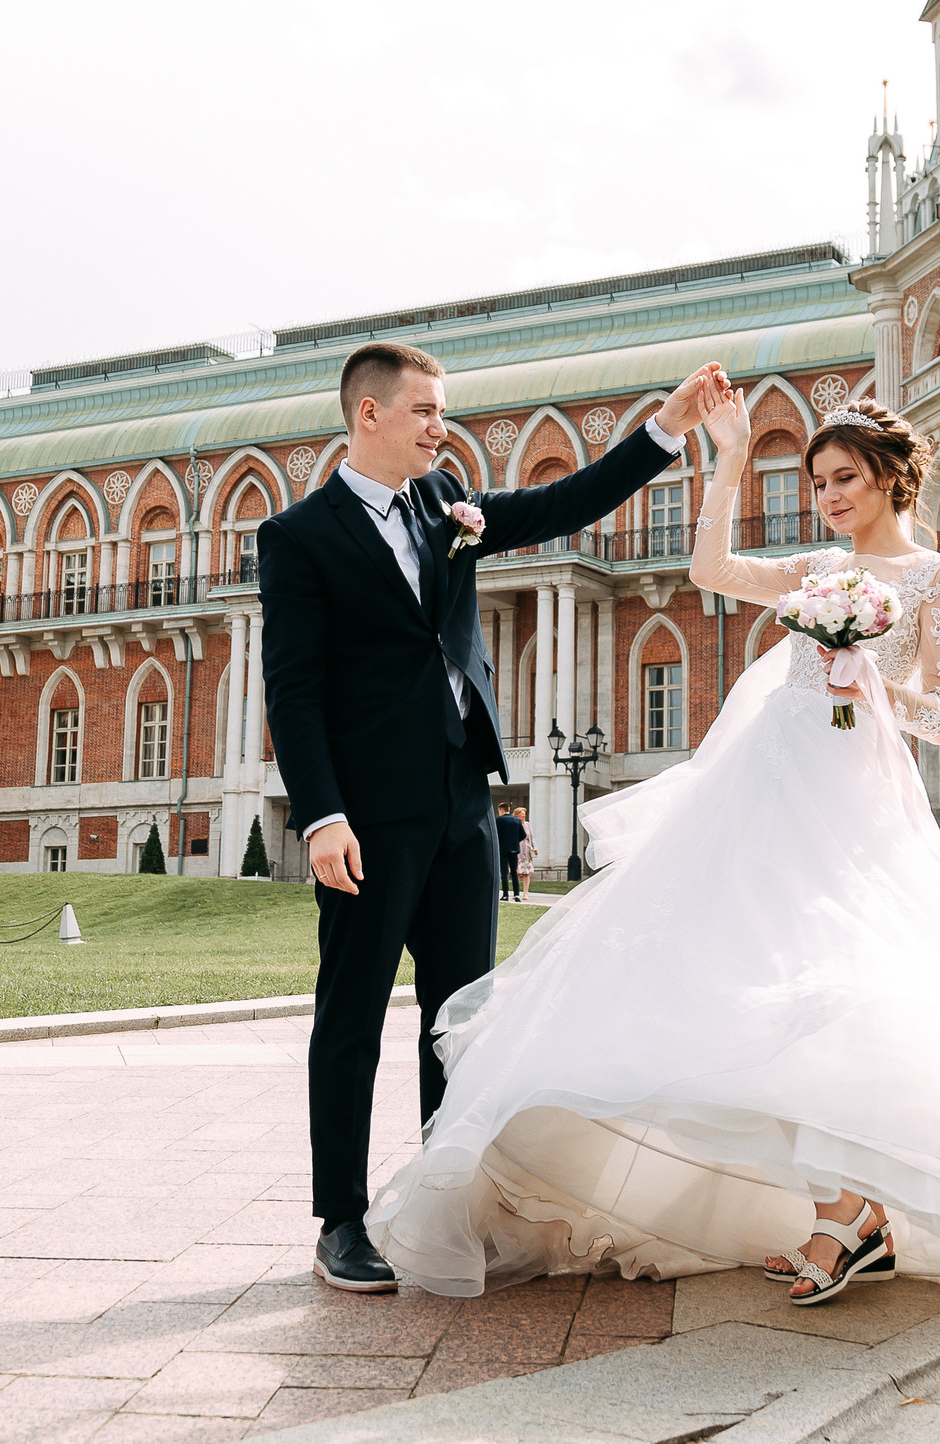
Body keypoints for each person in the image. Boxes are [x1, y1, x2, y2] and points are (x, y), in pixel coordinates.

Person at [365, 391, 940, 1305]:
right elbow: (712, 568)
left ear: (889, 477)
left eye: (843, 478)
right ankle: (836, 1210)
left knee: (835, 984)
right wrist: (725, 459)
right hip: (763, 786)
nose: (829, 495)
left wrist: (869, 680)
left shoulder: (937, 577)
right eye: (817, 482)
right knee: (734, 977)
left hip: (852, 798)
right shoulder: (819, 567)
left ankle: (850, 1213)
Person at [258, 341, 736, 1294]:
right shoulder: (300, 536)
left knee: (460, 1020)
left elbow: (566, 503)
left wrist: (666, 431)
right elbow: (294, 689)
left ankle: (446, 1204)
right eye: (427, 410)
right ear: (370, 416)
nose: (443, 426)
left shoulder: (448, 508)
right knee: (349, 1018)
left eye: (444, 409)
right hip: (368, 816)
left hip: (462, 801)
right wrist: (321, 817)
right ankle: (341, 1220)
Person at [494, 806, 526, 903]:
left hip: (503, 849)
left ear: (501, 810)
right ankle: (516, 894)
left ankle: (505, 895)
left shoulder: (499, 820)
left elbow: (495, 833)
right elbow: (523, 835)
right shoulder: (517, 821)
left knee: (504, 873)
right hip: (514, 849)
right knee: (514, 872)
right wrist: (515, 841)